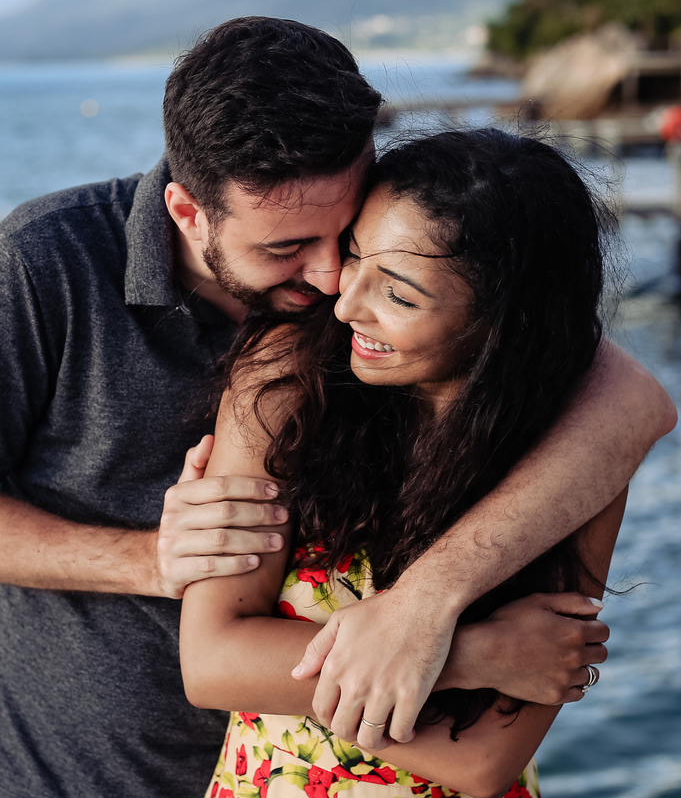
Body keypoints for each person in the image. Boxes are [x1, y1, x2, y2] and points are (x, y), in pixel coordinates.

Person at [0, 17, 676, 798]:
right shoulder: (42, 266)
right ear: (189, 213)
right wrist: (150, 559)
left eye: (350, 232)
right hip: (74, 775)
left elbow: (630, 398)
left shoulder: (365, 296)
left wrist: (424, 608)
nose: (333, 280)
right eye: (287, 248)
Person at [179, 127, 643, 798]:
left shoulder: (571, 461)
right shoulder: (284, 383)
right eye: (354, 255)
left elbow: (485, 761)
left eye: (398, 295)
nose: (345, 305)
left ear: (504, 324)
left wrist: (286, 667)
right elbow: (213, 663)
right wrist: (472, 656)